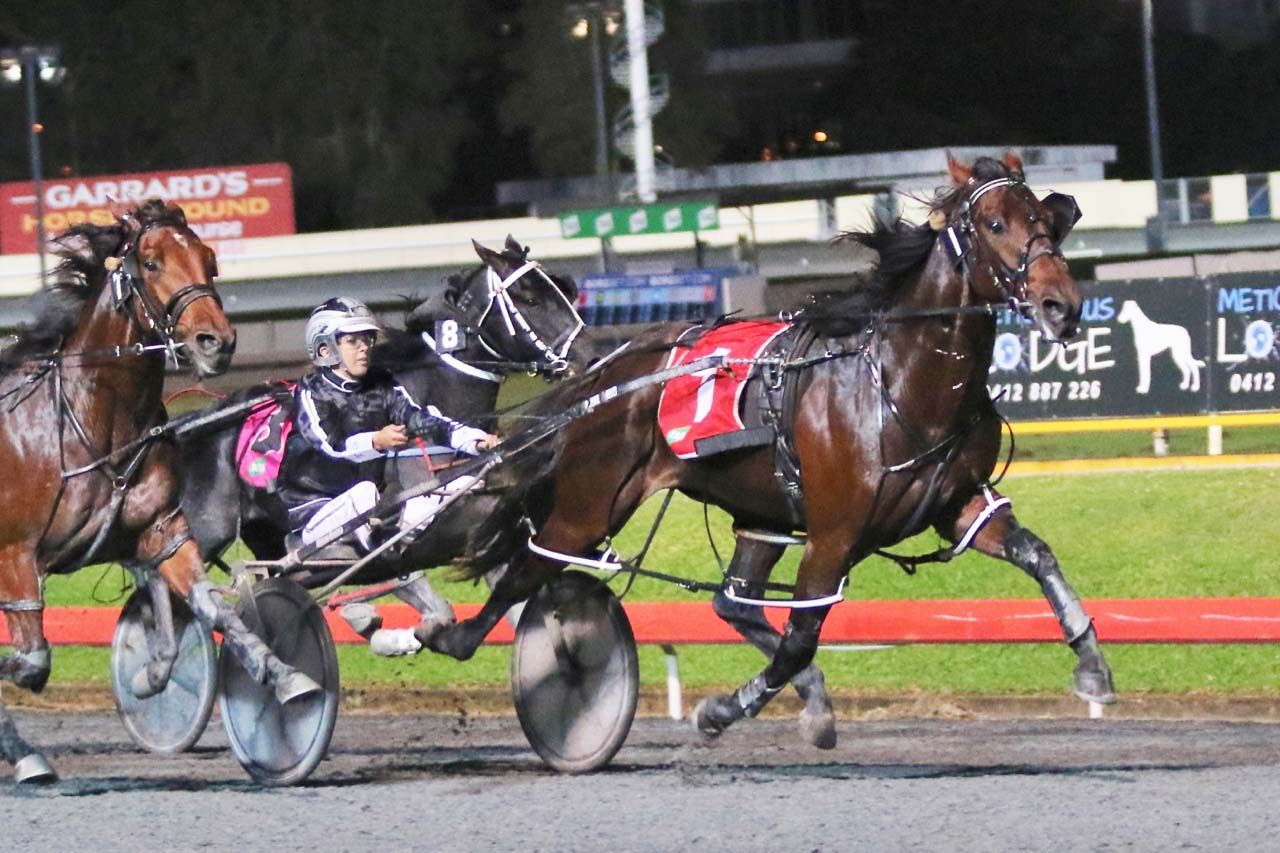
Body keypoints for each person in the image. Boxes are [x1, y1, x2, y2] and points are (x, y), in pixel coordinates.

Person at [277, 296, 499, 656]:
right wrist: (376, 441)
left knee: (455, 484)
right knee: (367, 492)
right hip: (312, 510)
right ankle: (377, 573)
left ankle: (395, 565)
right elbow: (330, 445)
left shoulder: (381, 384)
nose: (364, 348)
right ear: (325, 347)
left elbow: (422, 418)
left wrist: (475, 441)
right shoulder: (312, 393)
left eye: (366, 340)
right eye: (352, 341)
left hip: (366, 511)